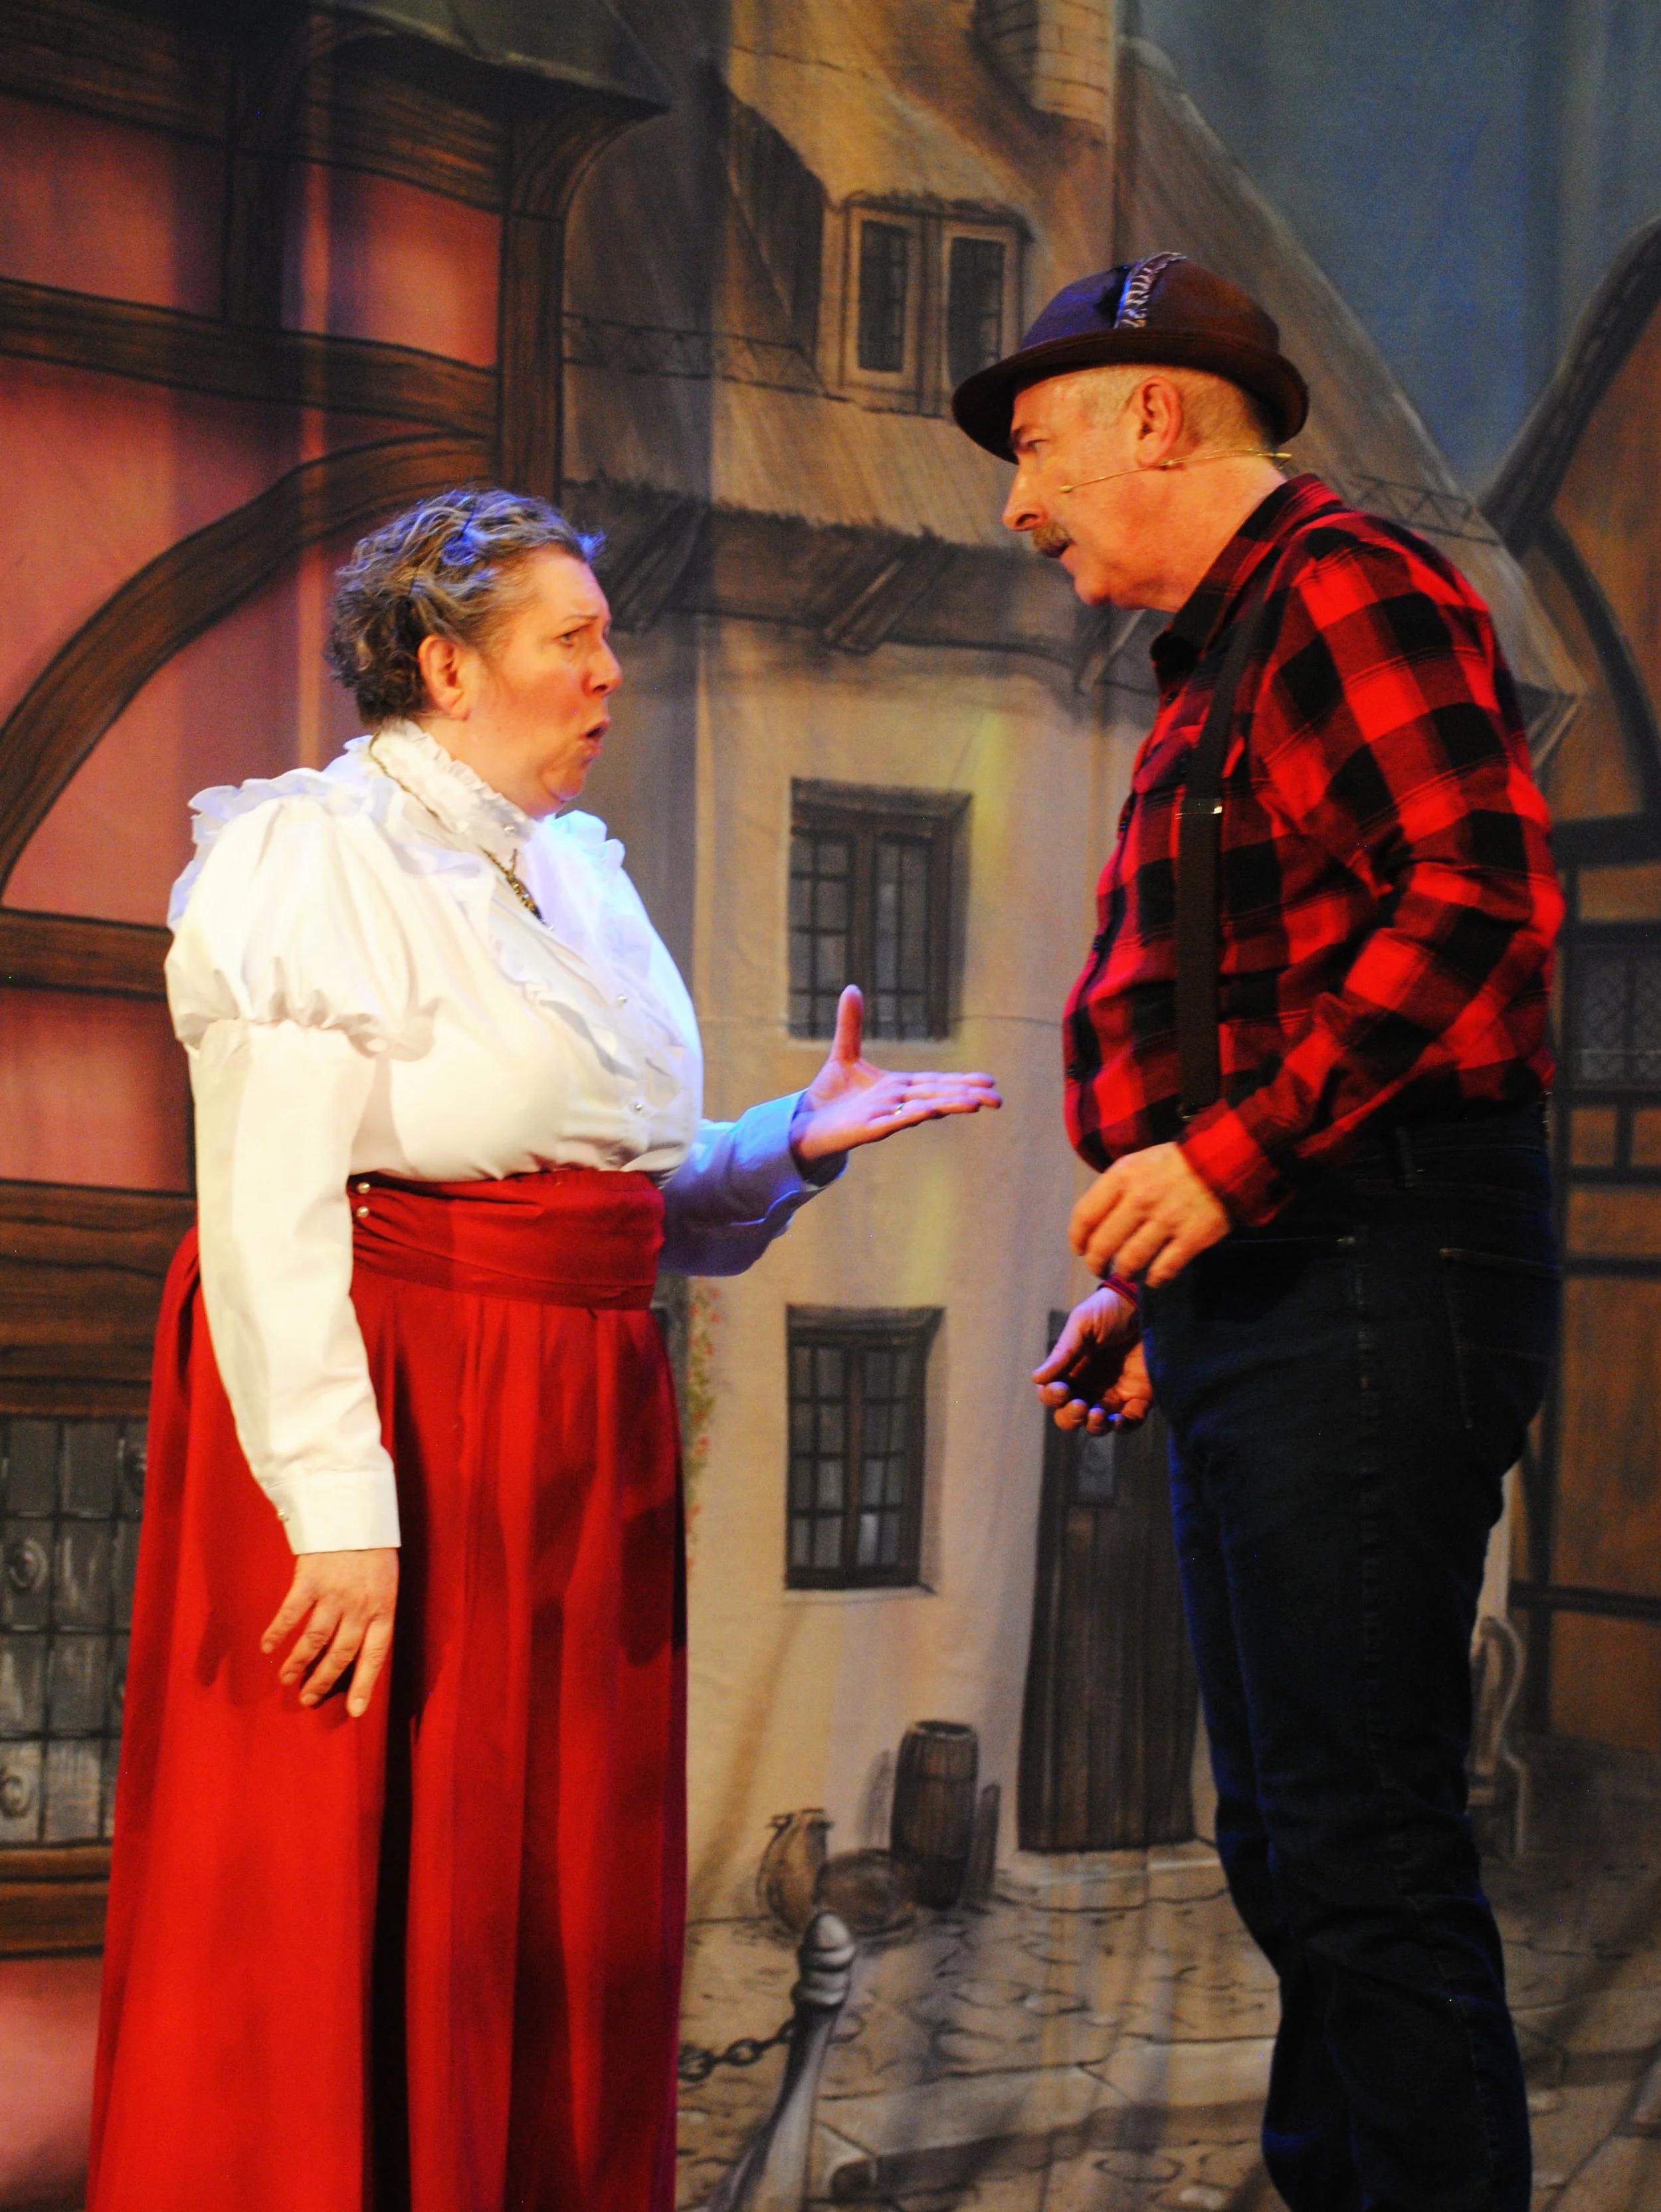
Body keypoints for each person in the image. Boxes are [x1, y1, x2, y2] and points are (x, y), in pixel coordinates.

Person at [88, 489, 999, 2212]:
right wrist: (342, 1515)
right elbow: (271, 1209)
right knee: (368, 1883)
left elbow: (607, 1202)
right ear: (444, 664)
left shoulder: (570, 877)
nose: (607, 676)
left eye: (607, 640)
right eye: (569, 641)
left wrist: (778, 1148)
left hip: (576, 1430)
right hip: (401, 1413)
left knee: (552, 1885)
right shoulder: (315, 860)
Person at [952, 257, 1562, 2211]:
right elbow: (1250, 984)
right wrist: (1159, 1272)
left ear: (1157, 411)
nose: (1015, 501)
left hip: (1372, 1258)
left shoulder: (1340, 589)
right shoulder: (1218, 658)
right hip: (1282, 1264)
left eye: (1036, 445)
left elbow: (1471, 889)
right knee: (1290, 1844)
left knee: (1356, 1841)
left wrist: (1224, 1167)